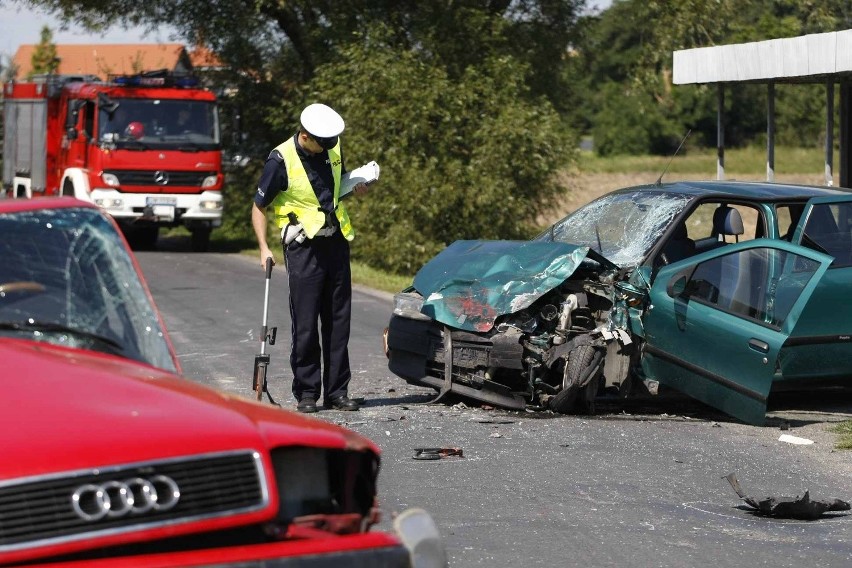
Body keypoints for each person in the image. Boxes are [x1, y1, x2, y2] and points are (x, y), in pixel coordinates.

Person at [252, 103, 368, 413]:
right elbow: (259, 206)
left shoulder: (330, 144)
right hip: (303, 248)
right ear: (305, 136)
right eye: (322, 143)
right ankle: (307, 392)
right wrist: (264, 247)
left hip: (336, 242)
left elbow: (332, 189)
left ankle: (337, 392)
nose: (328, 148)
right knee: (305, 323)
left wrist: (356, 186)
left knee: (338, 321)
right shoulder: (280, 160)